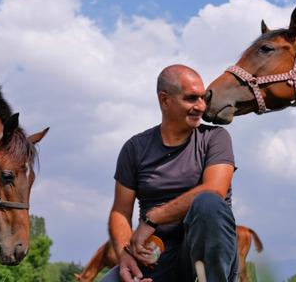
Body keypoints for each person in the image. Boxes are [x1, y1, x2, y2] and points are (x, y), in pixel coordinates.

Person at [101, 65, 237, 282]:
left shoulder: (216, 138)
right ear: (164, 100)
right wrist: (125, 254)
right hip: (155, 255)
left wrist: (153, 218)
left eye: (203, 98)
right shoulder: (135, 148)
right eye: (192, 98)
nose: (201, 106)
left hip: (205, 258)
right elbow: (120, 211)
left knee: (207, 203)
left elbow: (215, 190)